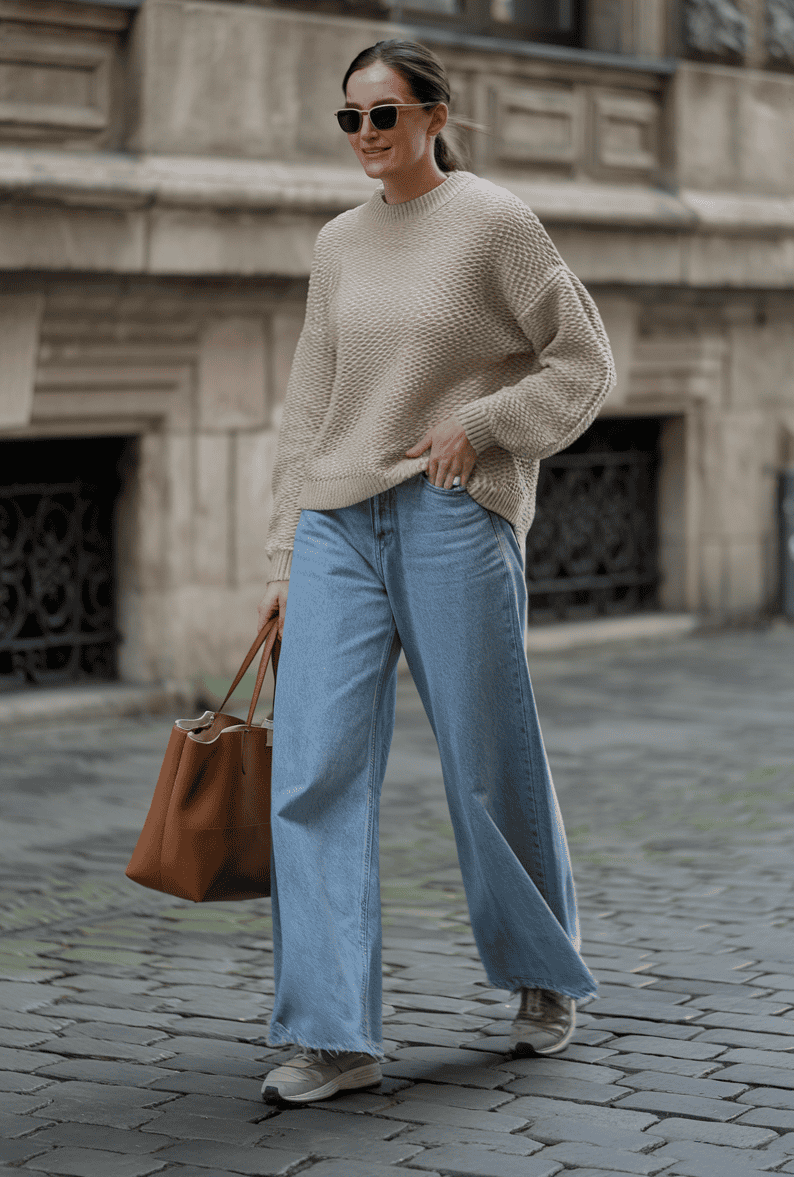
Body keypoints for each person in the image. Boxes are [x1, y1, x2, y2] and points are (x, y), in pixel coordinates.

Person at [256, 38, 615, 1106]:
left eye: (384, 115)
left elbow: (583, 361)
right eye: (349, 119)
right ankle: (332, 1035)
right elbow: (305, 410)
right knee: (311, 769)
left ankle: (543, 975)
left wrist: (484, 421)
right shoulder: (336, 243)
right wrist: (281, 557)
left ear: (432, 115)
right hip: (335, 525)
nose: (365, 136)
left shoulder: (493, 223)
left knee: (484, 755)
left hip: (451, 514)